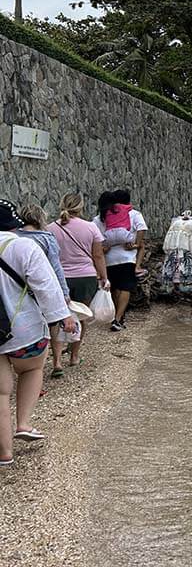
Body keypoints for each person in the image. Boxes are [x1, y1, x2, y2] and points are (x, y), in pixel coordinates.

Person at [1, 199, 75, 467]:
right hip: (25, 330)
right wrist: (62, 317)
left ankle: (4, 453)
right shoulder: (23, 246)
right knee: (31, 370)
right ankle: (23, 423)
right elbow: (46, 285)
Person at [47, 193, 109, 369]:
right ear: (80, 207)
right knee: (80, 316)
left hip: (59, 279)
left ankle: (57, 361)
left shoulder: (50, 228)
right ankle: (74, 356)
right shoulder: (90, 227)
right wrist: (104, 277)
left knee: (58, 317)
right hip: (85, 277)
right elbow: (98, 255)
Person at [17, 204, 70, 378]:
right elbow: (56, 269)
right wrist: (64, 294)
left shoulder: (13, 237)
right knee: (52, 325)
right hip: (43, 289)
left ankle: (23, 366)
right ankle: (56, 362)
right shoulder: (46, 238)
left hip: (20, 293)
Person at [93, 189, 147, 332]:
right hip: (127, 257)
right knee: (125, 288)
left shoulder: (99, 218)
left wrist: (103, 248)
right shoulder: (133, 214)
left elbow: (96, 238)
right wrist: (136, 244)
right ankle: (118, 318)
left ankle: (117, 316)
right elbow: (142, 228)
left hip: (108, 259)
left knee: (115, 288)